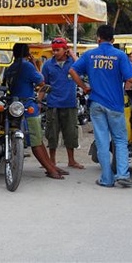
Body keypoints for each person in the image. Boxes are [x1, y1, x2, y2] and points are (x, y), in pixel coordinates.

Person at [70, 25, 132, 188]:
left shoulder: (90, 55)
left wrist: (84, 87)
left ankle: (106, 178)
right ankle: (123, 175)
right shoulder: (119, 56)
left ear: (98, 38)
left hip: (96, 103)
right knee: (119, 140)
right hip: (115, 105)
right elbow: (131, 78)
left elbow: (72, 70)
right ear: (113, 39)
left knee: (102, 141)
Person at [3, 43, 68, 180]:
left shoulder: (9, 68)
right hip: (28, 106)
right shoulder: (27, 66)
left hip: (13, 106)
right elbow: (41, 81)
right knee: (35, 140)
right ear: (27, 53)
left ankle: (51, 165)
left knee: (37, 138)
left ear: (14, 54)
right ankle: (50, 169)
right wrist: (33, 63)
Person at [40, 37, 84, 169]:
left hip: (69, 103)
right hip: (53, 104)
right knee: (52, 134)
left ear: (65, 50)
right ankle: (51, 161)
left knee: (71, 133)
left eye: (57, 50)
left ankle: (71, 160)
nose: (54, 53)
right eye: (53, 50)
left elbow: (83, 69)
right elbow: (44, 84)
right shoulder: (48, 65)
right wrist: (39, 100)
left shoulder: (73, 63)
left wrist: (73, 55)